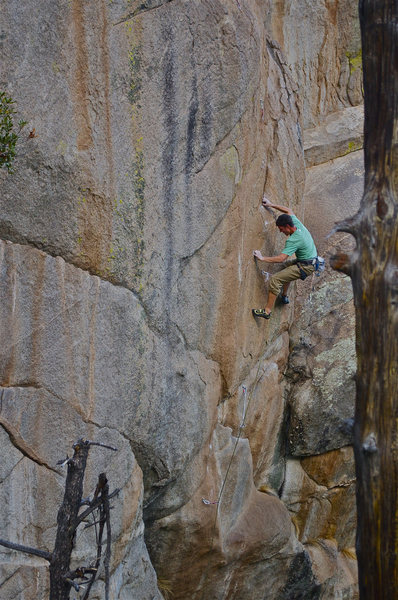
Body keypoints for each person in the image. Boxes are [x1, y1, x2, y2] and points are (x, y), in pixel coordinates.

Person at [252, 196, 317, 319]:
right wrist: (270, 205)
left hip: (306, 266)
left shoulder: (293, 240)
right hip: (308, 260)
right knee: (286, 268)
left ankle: (267, 312)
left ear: (287, 226)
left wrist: (262, 258)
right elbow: (288, 210)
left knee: (276, 279)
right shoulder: (296, 223)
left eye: (282, 229)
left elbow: (281, 258)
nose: (281, 232)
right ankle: (284, 295)